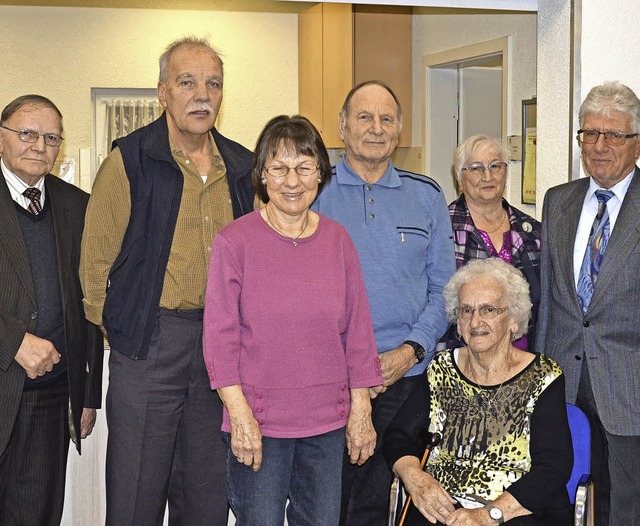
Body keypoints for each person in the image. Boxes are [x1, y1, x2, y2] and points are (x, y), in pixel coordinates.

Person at [80, 37, 254, 525]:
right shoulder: (129, 160)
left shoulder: (242, 167)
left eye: (213, 83)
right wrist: (113, 323)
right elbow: (94, 261)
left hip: (220, 350)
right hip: (150, 345)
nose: (202, 94)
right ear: (162, 92)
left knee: (205, 497)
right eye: (187, 82)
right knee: (136, 492)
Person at [203, 114, 382, 526]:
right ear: (262, 175)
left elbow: (357, 332)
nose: (292, 181)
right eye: (279, 168)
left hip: (327, 421)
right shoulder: (235, 242)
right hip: (259, 421)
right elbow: (220, 336)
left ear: (319, 174)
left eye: (304, 168)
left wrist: (360, 411)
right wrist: (239, 414)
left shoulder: (338, 241)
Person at [312, 80, 455, 525]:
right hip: (327, 379)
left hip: (405, 378)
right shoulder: (313, 191)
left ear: (399, 129)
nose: (376, 128)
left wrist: (408, 352)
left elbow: (445, 291)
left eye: (387, 119)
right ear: (341, 125)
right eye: (364, 117)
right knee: (324, 500)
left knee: (379, 503)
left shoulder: (427, 194)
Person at [385, 258, 573, 526]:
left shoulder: (544, 376)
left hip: (514, 510)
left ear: (514, 320)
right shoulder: (442, 368)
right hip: (443, 508)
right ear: (458, 324)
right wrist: (416, 479)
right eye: (466, 310)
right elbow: (397, 436)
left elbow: (553, 467)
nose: (476, 321)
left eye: (488, 310)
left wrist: (490, 514)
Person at [536, 80, 640, 526]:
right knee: (556, 493)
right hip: (562, 377)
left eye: (614, 135)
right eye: (589, 134)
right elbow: (548, 301)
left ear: (637, 142)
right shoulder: (558, 201)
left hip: (628, 388)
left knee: (623, 506)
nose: (599, 146)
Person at [0, 94, 103, 525]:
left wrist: (88, 394)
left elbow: (92, 301)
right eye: (26, 133)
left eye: (50, 137)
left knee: (36, 515)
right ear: (1, 138)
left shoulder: (78, 207)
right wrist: (13, 341)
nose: (39, 145)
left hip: (48, 396)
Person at [448, 135, 540, 351]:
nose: (487, 176)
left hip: (522, 359)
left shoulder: (532, 231)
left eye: (495, 166)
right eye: (477, 168)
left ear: (505, 173)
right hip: (464, 359)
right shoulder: (443, 229)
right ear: (459, 178)